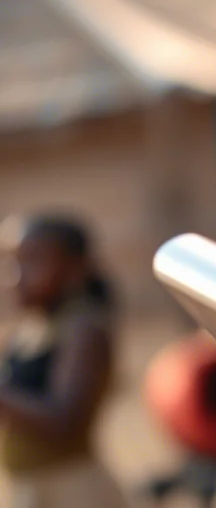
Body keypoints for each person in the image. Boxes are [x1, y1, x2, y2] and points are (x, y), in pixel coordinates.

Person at [0, 214, 128, 508]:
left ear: (74, 270)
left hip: (73, 492)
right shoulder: (30, 330)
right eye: (13, 262)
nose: (15, 276)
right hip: (30, 489)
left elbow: (65, 419)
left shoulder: (83, 330)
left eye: (33, 261)